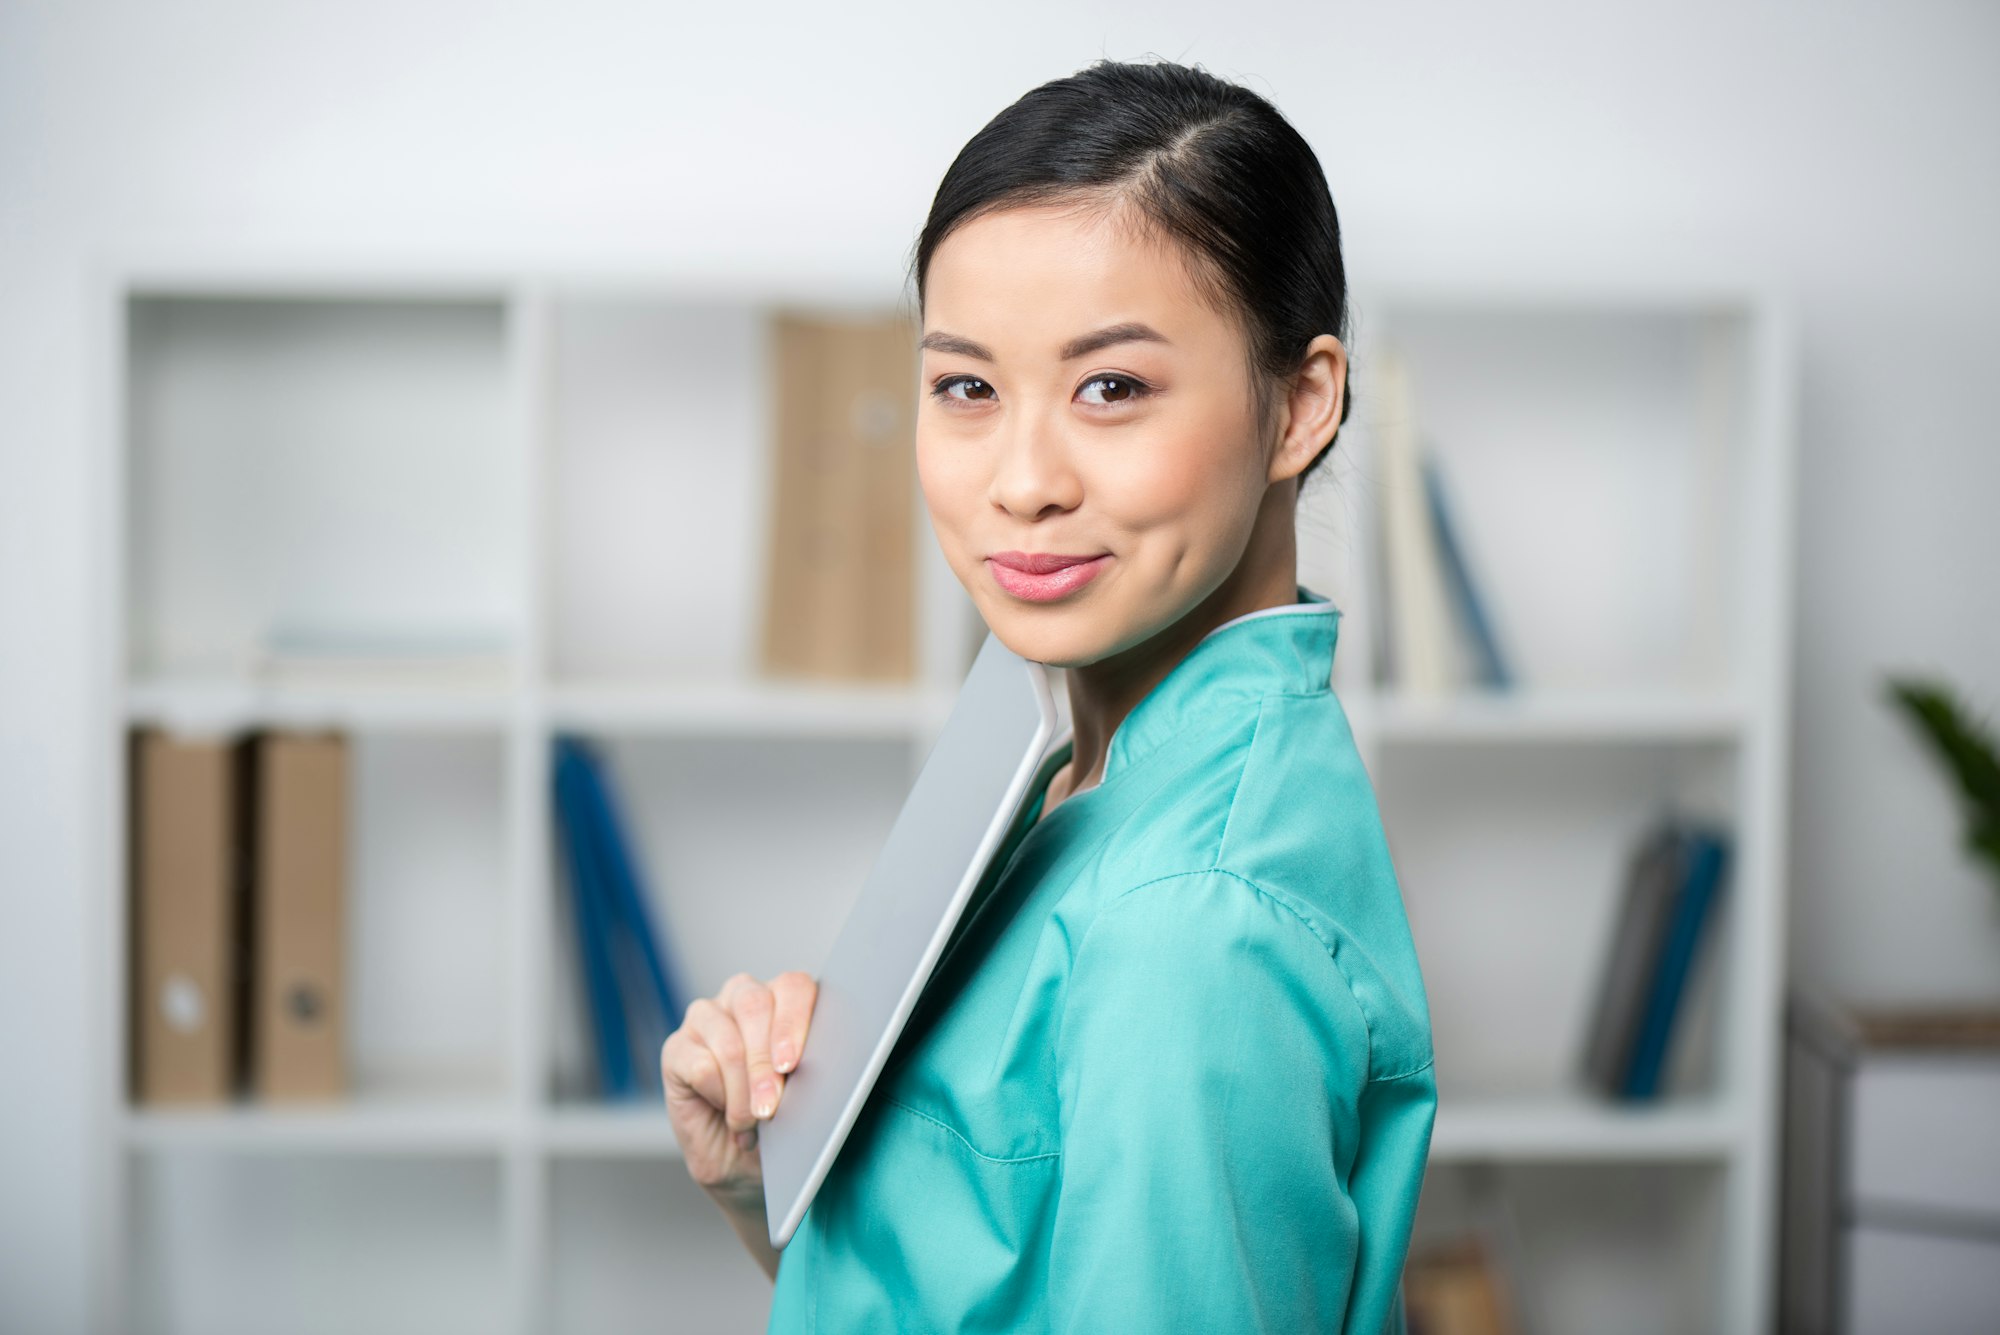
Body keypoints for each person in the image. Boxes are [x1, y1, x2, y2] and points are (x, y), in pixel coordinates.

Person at [661, 57, 1437, 1334]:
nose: (1019, 481)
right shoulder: (1060, 745)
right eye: (966, 386)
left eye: (1111, 387)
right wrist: (772, 1182)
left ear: (1300, 406)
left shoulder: (1186, 930)